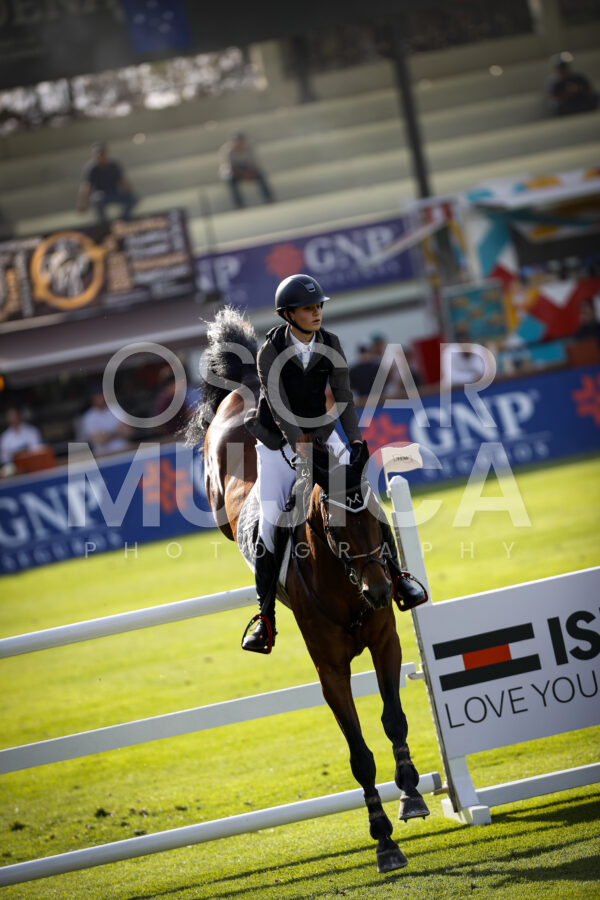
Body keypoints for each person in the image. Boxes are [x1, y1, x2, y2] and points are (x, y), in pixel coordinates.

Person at [242, 273, 425, 653]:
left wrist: (355, 440)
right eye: (308, 308)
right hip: (278, 443)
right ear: (288, 314)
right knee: (272, 521)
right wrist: (300, 446)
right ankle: (265, 618)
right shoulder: (270, 351)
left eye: (318, 306)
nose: (317, 313)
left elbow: (343, 396)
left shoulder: (331, 343)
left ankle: (398, 577)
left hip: (324, 435)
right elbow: (278, 406)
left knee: (368, 500)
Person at [77, 142, 138, 223]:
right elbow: (86, 186)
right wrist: (83, 203)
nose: (101, 156)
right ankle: (104, 223)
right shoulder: (91, 168)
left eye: (103, 154)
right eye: (98, 154)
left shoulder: (114, 165)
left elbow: (123, 181)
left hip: (115, 193)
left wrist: (131, 192)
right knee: (97, 200)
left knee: (133, 199)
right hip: (100, 194)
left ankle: (123, 220)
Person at [219, 132, 274, 209]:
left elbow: (255, 164)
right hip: (234, 173)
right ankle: (239, 204)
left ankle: (269, 198)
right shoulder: (227, 151)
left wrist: (249, 173)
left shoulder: (250, 148)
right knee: (229, 179)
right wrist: (243, 174)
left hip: (248, 170)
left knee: (261, 175)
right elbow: (230, 168)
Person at [81, 384, 132, 456]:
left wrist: (106, 434)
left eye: (102, 395)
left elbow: (128, 432)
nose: (100, 398)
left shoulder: (116, 409)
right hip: (104, 456)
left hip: (123, 450)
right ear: (92, 398)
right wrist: (117, 432)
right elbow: (99, 440)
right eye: (97, 396)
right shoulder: (89, 417)